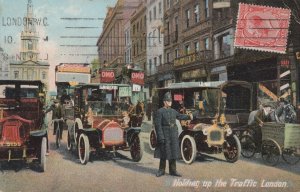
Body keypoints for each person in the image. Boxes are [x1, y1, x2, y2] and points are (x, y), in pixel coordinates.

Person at [154, 92, 193, 177]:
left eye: (171, 100)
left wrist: (189, 116)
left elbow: (180, 116)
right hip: (165, 134)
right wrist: (160, 137)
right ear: (164, 102)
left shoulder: (173, 111)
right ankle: (161, 170)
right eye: (168, 101)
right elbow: (158, 125)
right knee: (163, 153)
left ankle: (173, 170)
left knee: (173, 152)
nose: (170, 102)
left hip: (173, 134)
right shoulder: (160, 112)